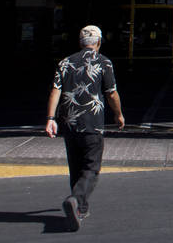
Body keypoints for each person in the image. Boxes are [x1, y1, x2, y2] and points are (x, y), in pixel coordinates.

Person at [45, 25, 125, 232]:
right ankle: (76, 199)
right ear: (98, 42)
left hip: (69, 124)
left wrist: (50, 118)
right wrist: (118, 114)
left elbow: (55, 90)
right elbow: (111, 93)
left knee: (76, 166)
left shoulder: (65, 62)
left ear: (80, 42)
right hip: (93, 124)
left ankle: (80, 208)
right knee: (90, 168)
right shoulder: (104, 62)